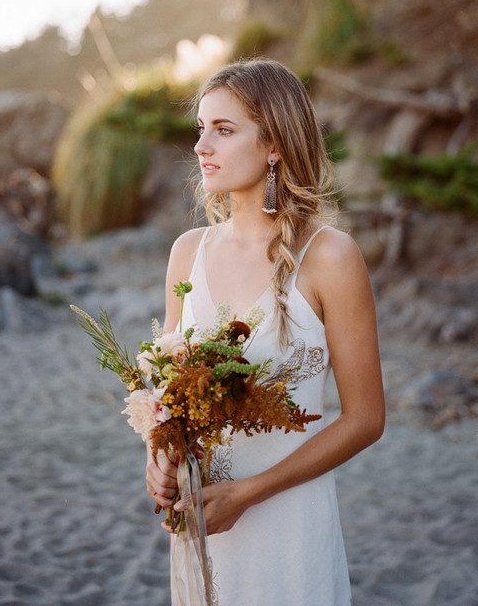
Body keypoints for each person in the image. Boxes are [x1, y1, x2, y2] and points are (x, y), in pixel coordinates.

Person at [146, 58, 385, 605]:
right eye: (201, 128)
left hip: (288, 528)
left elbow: (367, 418)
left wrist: (250, 494)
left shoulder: (330, 257)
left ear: (274, 144)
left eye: (224, 130)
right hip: (204, 525)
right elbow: (171, 395)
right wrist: (159, 461)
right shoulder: (188, 254)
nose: (203, 145)